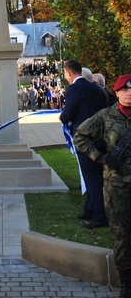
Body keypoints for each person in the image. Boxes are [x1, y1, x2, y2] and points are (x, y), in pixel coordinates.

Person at [73, 73, 131, 297]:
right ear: (116, 92)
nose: (128, 93)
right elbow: (80, 137)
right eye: (124, 90)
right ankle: (126, 282)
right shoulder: (105, 116)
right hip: (116, 186)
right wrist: (100, 157)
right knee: (121, 234)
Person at [60, 59, 109, 229]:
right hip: (102, 139)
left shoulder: (74, 88)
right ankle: (89, 209)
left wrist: (62, 117)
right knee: (95, 176)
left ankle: (100, 216)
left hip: (85, 140)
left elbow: (68, 114)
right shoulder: (97, 88)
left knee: (92, 178)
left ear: (69, 73)